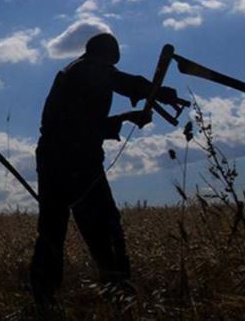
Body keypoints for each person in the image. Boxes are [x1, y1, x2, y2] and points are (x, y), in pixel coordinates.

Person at [29, 33, 180, 306]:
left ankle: (44, 299)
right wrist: (156, 91)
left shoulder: (73, 73)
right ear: (107, 56)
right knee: (105, 227)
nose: (112, 69)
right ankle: (119, 293)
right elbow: (118, 82)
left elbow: (80, 122)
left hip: (53, 159)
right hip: (76, 162)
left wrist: (125, 117)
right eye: (111, 63)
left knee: (52, 231)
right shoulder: (87, 69)